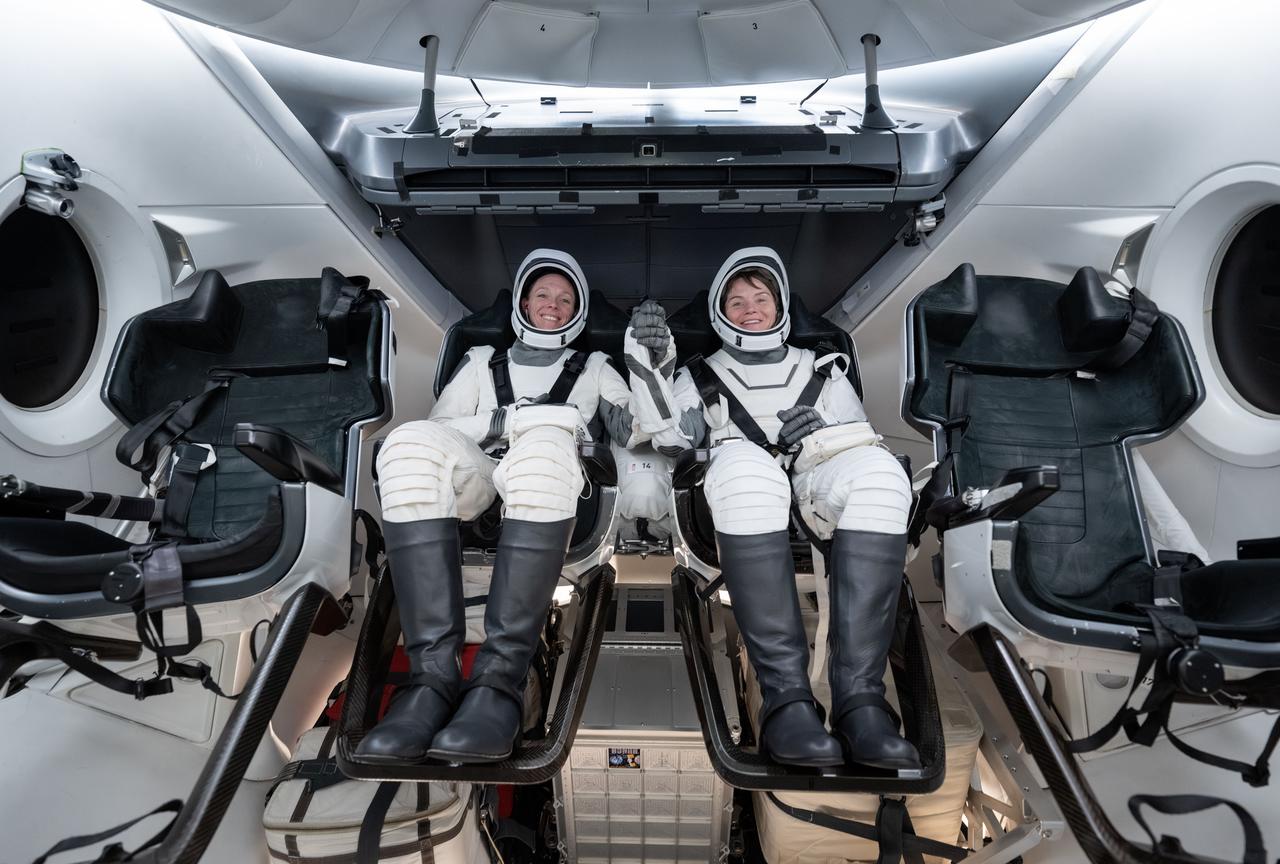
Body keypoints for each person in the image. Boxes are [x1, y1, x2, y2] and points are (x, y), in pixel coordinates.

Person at [624, 247, 918, 770]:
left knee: (881, 475)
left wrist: (821, 433)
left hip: (813, 485)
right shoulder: (700, 374)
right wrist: (649, 368)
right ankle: (787, 703)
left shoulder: (824, 371)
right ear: (721, 312)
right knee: (744, 463)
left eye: (761, 297)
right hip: (738, 495)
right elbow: (670, 441)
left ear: (781, 306)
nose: (750, 308)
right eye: (736, 301)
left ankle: (862, 703)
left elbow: (859, 442)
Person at [358, 249, 641, 765]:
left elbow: (633, 426)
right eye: (543, 295)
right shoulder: (481, 362)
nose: (553, 305)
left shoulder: (597, 366)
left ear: (577, 310)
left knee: (550, 440)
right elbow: (439, 431)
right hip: (481, 477)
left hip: (553, 481)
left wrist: (646, 373)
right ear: (524, 303)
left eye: (565, 298)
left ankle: (497, 685)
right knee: (408, 443)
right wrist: (506, 423)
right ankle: (431, 682)